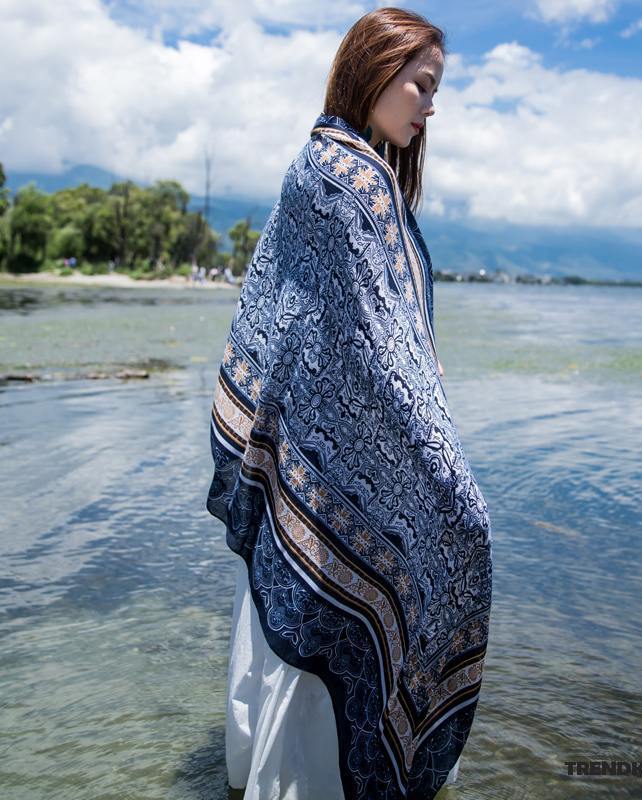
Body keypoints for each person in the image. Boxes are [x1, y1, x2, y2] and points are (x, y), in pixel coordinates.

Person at [206, 8, 493, 800]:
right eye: (422, 85)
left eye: (435, 91)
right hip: (335, 468)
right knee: (330, 644)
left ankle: (253, 779)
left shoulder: (316, 164)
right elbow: (385, 355)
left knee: (288, 638)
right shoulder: (352, 180)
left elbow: (296, 330)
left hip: (304, 456)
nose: (429, 106)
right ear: (374, 71)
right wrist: (449, 479)